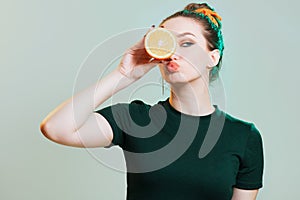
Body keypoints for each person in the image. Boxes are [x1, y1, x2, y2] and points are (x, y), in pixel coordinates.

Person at [40, 2, 264, 200]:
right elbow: (56, 128)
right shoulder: (135, 119)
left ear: (212, 57)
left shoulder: (244, 137)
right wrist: (123, 75)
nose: (173, 53)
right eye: (167, 43)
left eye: (186, 43)